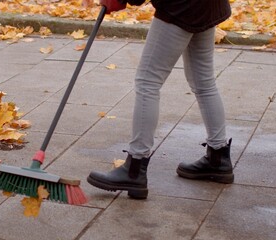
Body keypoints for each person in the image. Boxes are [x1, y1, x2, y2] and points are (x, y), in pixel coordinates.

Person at [87, 0, 234, 199]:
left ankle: (134, 169)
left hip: (181, 7)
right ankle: (218, 159)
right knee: (204, 81)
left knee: (148, 81)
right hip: (206, 5)